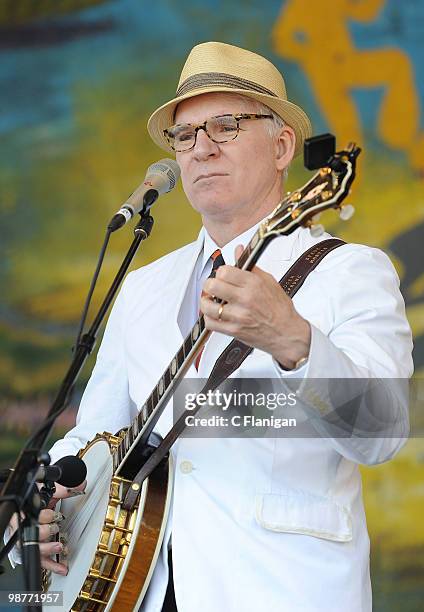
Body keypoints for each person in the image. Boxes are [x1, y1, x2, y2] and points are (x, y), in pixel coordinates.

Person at [8, 42, 413, 612]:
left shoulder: (350, 270)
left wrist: (293, 342)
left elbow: (384, 431)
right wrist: (58, 505)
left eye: (225, 125)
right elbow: (96, 436)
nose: (201, 148)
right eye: (186, 134)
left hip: (284, 591)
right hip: (138, 589)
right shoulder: (142, 285)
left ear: (282, 146)